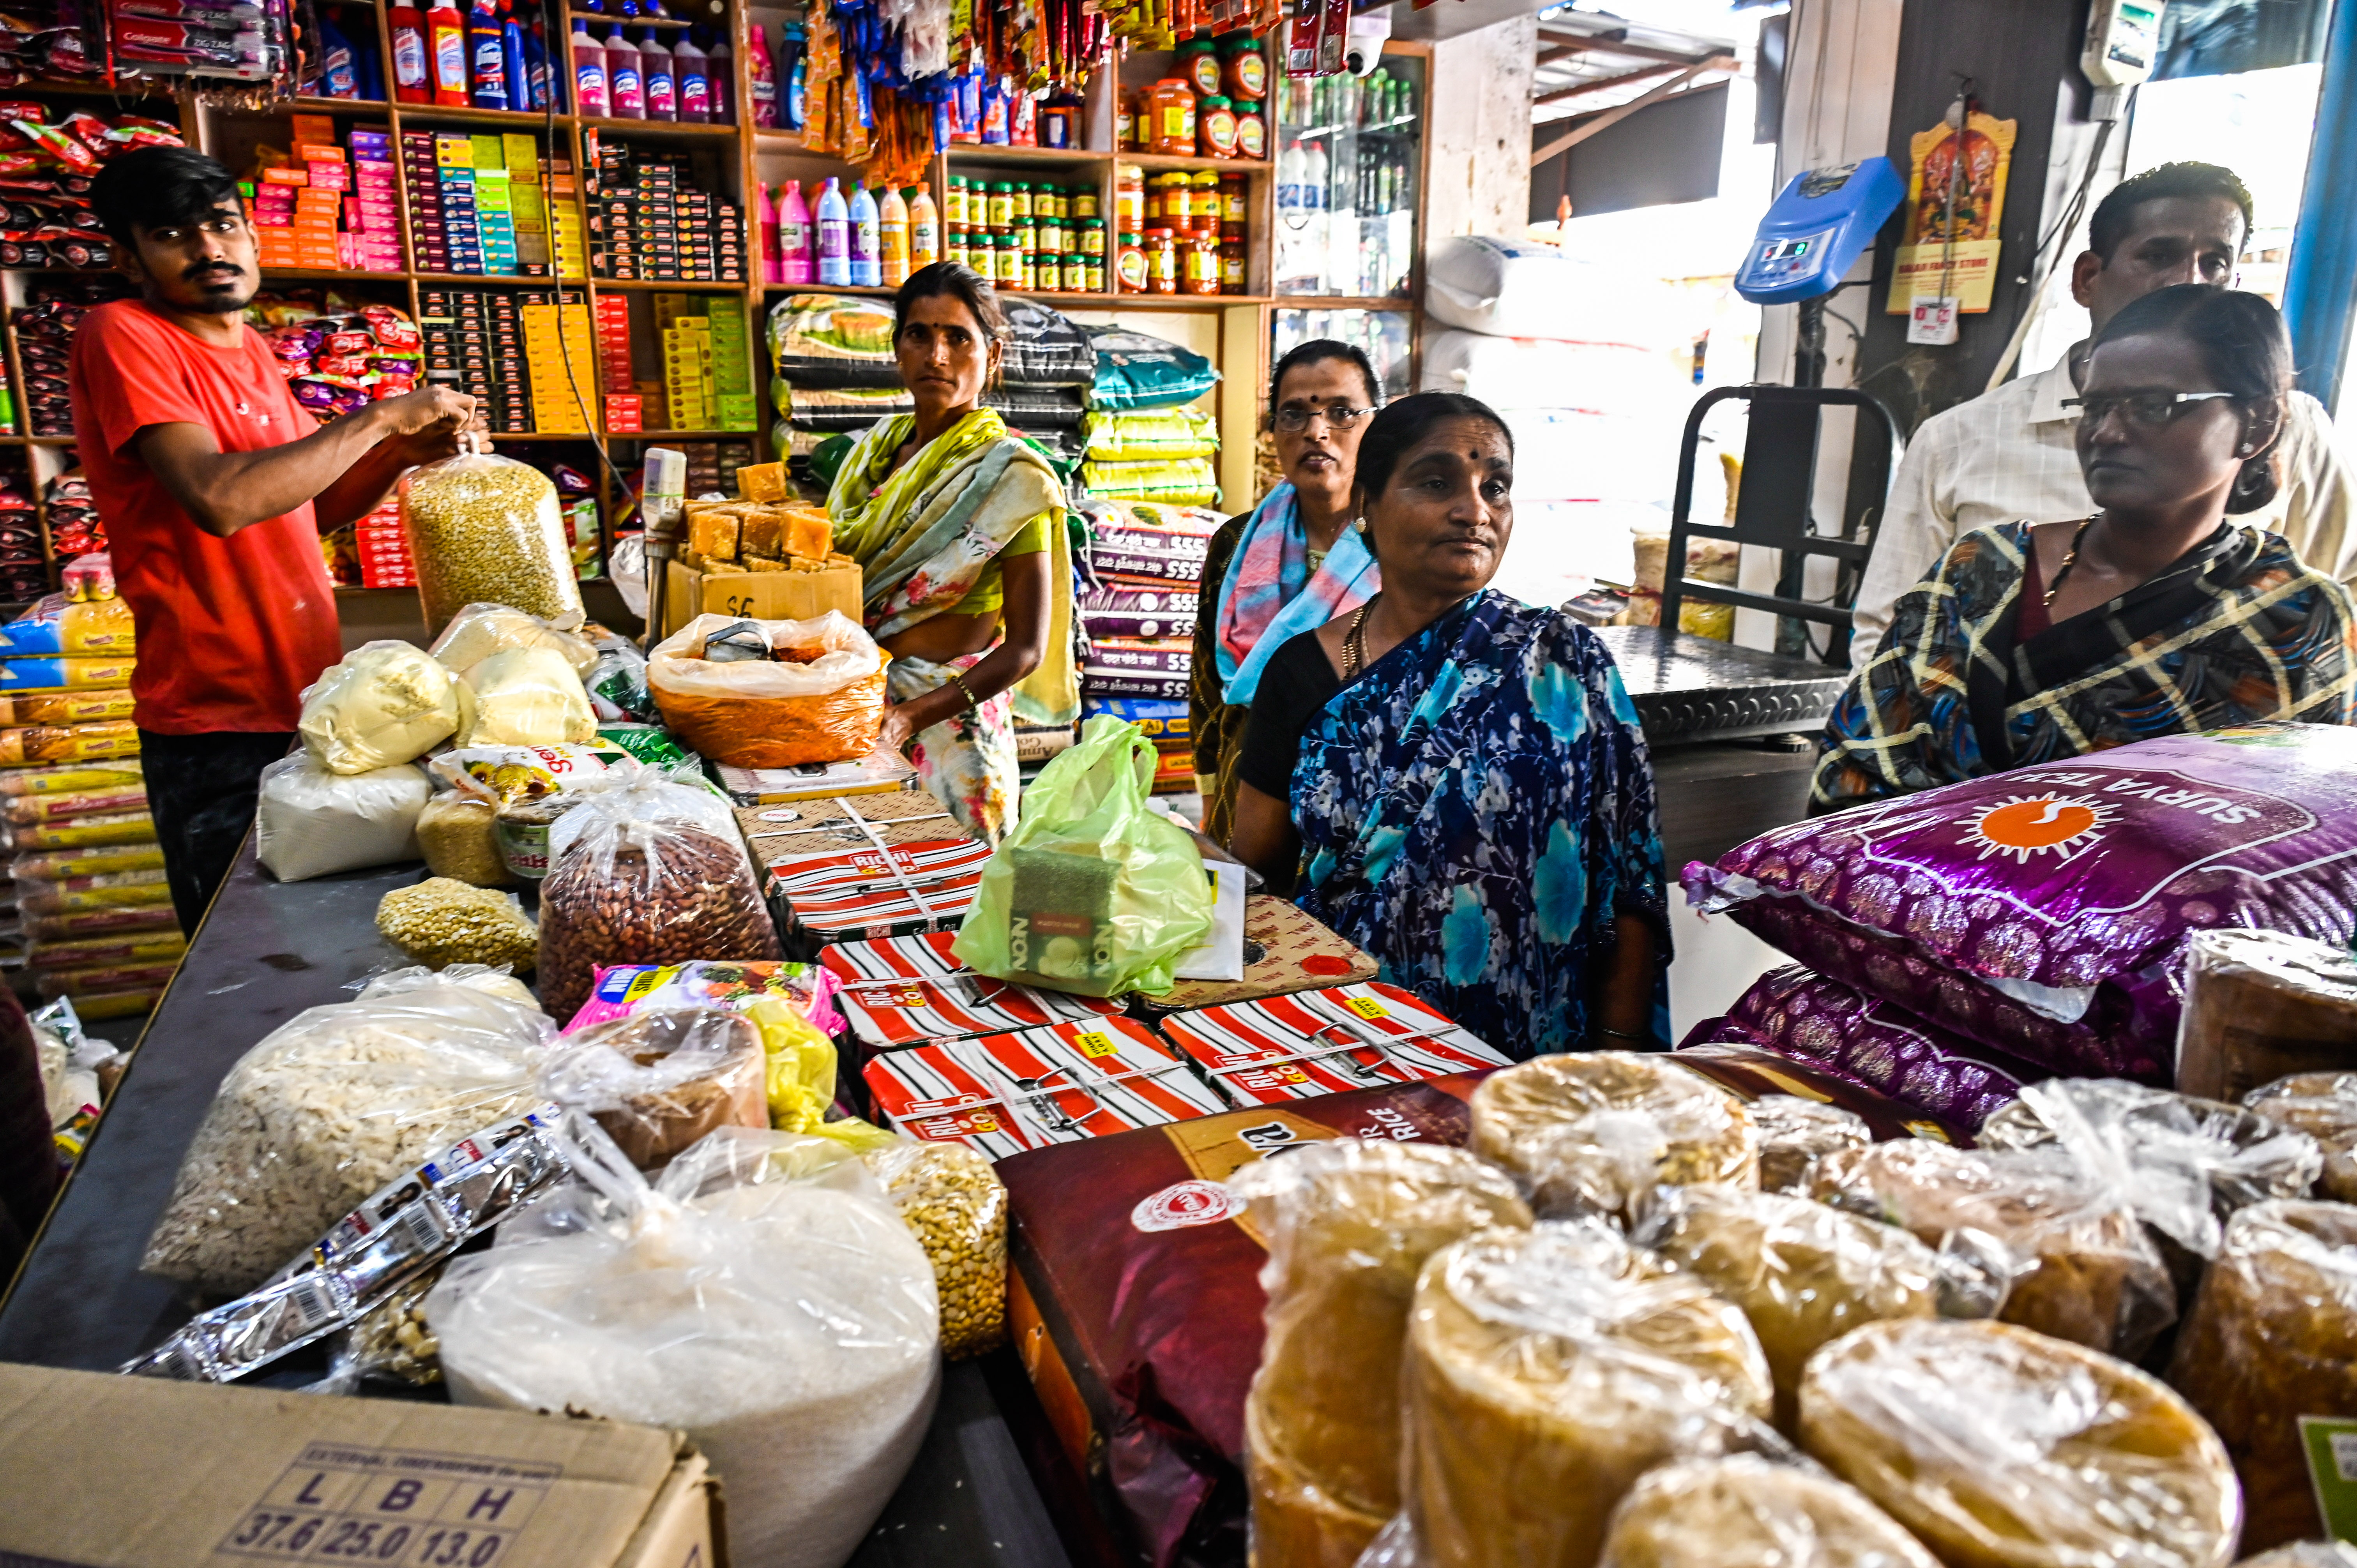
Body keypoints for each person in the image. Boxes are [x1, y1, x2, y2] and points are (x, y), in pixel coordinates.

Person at [72, 146, 475, 933]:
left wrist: (398, 454)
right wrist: (379, 416)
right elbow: (222, 501)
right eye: (173, 235)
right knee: (244, 952)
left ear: (253, 237)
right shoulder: (124, 333)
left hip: (306, 698)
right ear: (129, 256)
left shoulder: (253, 350)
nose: (209, 250)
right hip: (213, 717)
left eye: (223, 226)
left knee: (320, 936)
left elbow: (304, 508)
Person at [1226, 392, 1668, 1058]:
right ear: (1366, 506)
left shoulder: (1565, 663)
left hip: (1534, 1050)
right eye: (1435, 483)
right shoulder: (1300, 670)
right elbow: (1255, 873)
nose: (1474, 510)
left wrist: (1618, 1048)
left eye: (1495, 486)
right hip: (1343, 1030)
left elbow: (1629, 879)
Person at [1815, 285, 2357, 810]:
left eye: (2153, 406)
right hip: (1911, 885)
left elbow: (2300, 840)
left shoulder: (2297, 619)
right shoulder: (1982, 571)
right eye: (2095, 407)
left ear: (2257, 424)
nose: (2106, 433)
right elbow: (1858, 767)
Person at [1849, 161, 2355, 673]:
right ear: (2089, 278)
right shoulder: (1957, 441)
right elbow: (1888, 636)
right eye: (2160, 255)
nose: (2188, 280)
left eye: (2216, 263)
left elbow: (2340, 612)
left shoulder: (2292, 430)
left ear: (2256, 429)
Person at [826, 262, 1075, 844]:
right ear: (898, 351)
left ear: (993, 358)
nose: (937, 355)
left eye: (958, 338)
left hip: (953, 728)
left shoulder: (1014, 478)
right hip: (861, 706)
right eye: (920, 335)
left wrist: (914, 715)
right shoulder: (868, 459)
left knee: (962, 905)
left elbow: (1026, 649)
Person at [1189, 340, 1380, 841]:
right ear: (1273, 432)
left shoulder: (1397, 551)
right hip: (1245, 791)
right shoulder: (1236, 545)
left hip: (1358, 812)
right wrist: (1211, 804)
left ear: (1374, 425)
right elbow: (1209, 688)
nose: (1317, 431)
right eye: (1294, 415)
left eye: (1341, 412)